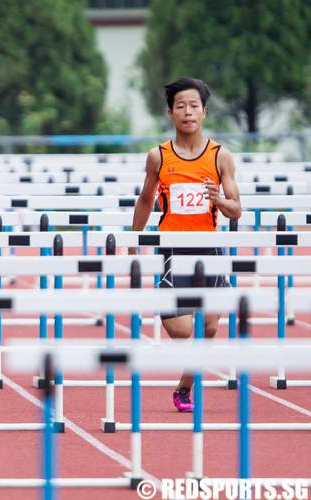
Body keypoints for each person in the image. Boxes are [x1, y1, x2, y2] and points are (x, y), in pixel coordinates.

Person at [129, 77, 241, 412]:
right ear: (170, 113)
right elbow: (146, 200)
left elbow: (236, 209)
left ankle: (184, 386)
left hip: (209, 248)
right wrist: (134, 241)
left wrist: (218, 199)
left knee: (208, 326)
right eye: (181, 106)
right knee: (181, 329)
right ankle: (188, 371)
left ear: (204, 112)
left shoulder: (221, 157)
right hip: (172, 250)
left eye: (194, 106)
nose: (188, 112)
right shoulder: (158, 157)